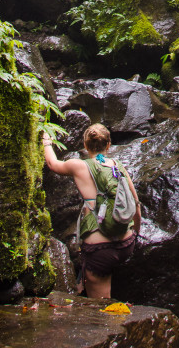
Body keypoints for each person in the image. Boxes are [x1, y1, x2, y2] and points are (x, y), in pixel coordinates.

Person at [42, 123, 141, 299]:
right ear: (108, 145)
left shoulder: (79, 166)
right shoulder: (118, 167)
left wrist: (46, 141)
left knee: (100, 307)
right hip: (126, 243)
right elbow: (136, 204)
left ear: (86, 146)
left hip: (100, 250)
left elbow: (52, 163)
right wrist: (136, 236)